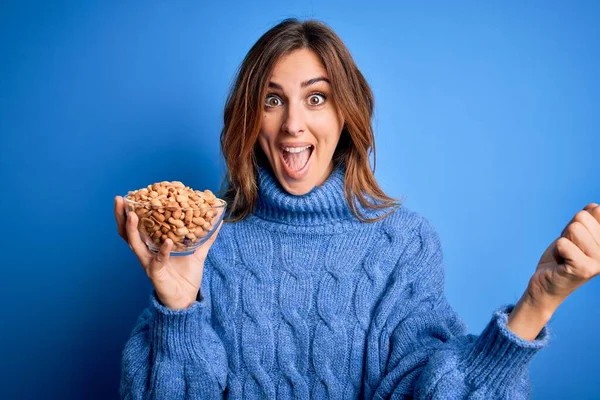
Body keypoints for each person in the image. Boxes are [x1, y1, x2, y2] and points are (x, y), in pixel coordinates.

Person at [114, 19, 600, 399]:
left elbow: (427, 392)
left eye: (316, 98)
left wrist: (537, 303)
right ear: (249, 116)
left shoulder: (403, 244)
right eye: (272, 100)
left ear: (345, 114)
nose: (293, 125)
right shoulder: (203, 243)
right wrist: (177, 311)